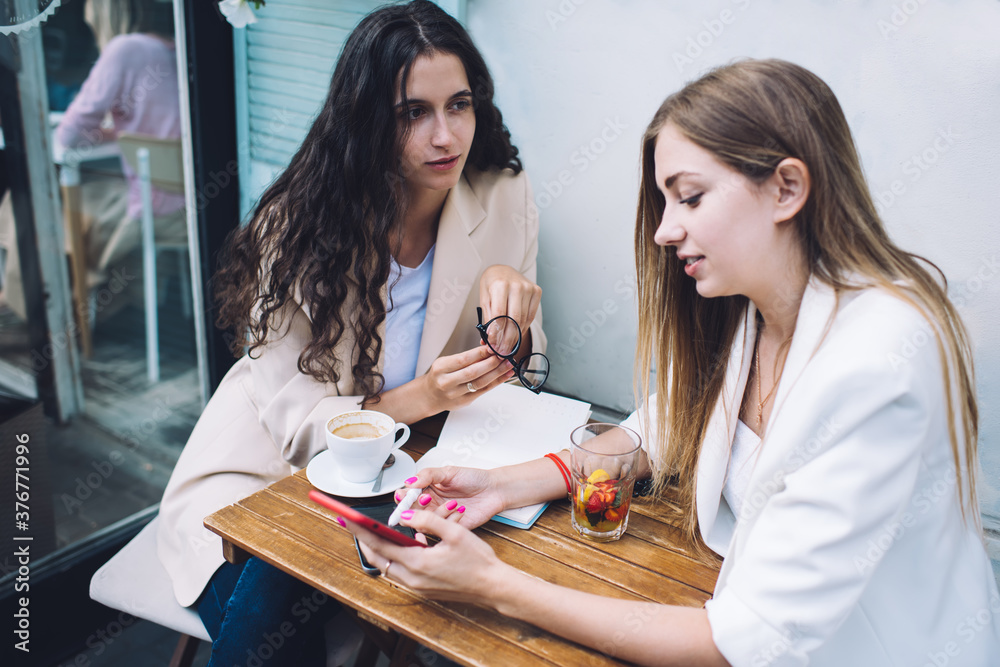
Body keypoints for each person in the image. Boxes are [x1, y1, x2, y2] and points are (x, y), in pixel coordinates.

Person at [351, 59, 1000, 666]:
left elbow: (740, 640)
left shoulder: (877, 362)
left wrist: (493, 584)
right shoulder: (758, 309)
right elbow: (661, 427)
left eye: (689, 197)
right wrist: (507, 483)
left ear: (787, 189)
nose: (664, 230)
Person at [156, 1, 545, 664]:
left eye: (460, 104)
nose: (446, 136)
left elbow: (531, 375)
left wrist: (510, 326)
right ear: (367, 120)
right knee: (280, 605)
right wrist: (424, 395)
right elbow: (301, 431)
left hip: (408, 472)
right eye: (412, 113)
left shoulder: (502, 195)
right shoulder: (296, 225)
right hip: (262, 468)